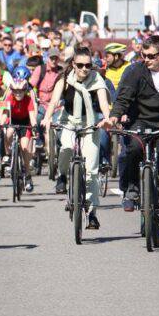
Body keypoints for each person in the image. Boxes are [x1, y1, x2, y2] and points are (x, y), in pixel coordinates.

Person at [101, 34, 159, 234]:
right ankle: (132, 187)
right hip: (141, 121)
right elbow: (123, 97)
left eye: (151, 56)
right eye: (144, 55)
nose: (146, 60)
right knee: (132, 149)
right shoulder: (135, 71)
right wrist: (114, 117)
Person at [44, 48, 110, 229]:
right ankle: (63, 175)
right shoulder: (65, 79)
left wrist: (107, 118)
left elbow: (104, 103)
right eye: (80, 65)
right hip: (68, 121)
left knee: (92, 171)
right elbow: (54, 101)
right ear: (73, 64)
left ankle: (92, 213)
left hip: (90, 123)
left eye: (88, 65)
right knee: (66, 147)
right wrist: (47, 117)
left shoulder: (97, 78)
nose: (84, 69)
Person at [0, 65, 39, 195]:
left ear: (25, 90)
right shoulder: (9, 98)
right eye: (15, 91)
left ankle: (27, 174)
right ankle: (9, 155)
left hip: (25, 123)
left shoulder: (29, 100)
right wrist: (0, 123)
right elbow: (4, 114)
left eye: (21, 91)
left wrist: (34, 127)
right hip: (13, 121)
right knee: (8, 132)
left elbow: (32, 117)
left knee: (25, 147)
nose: (18, 93)